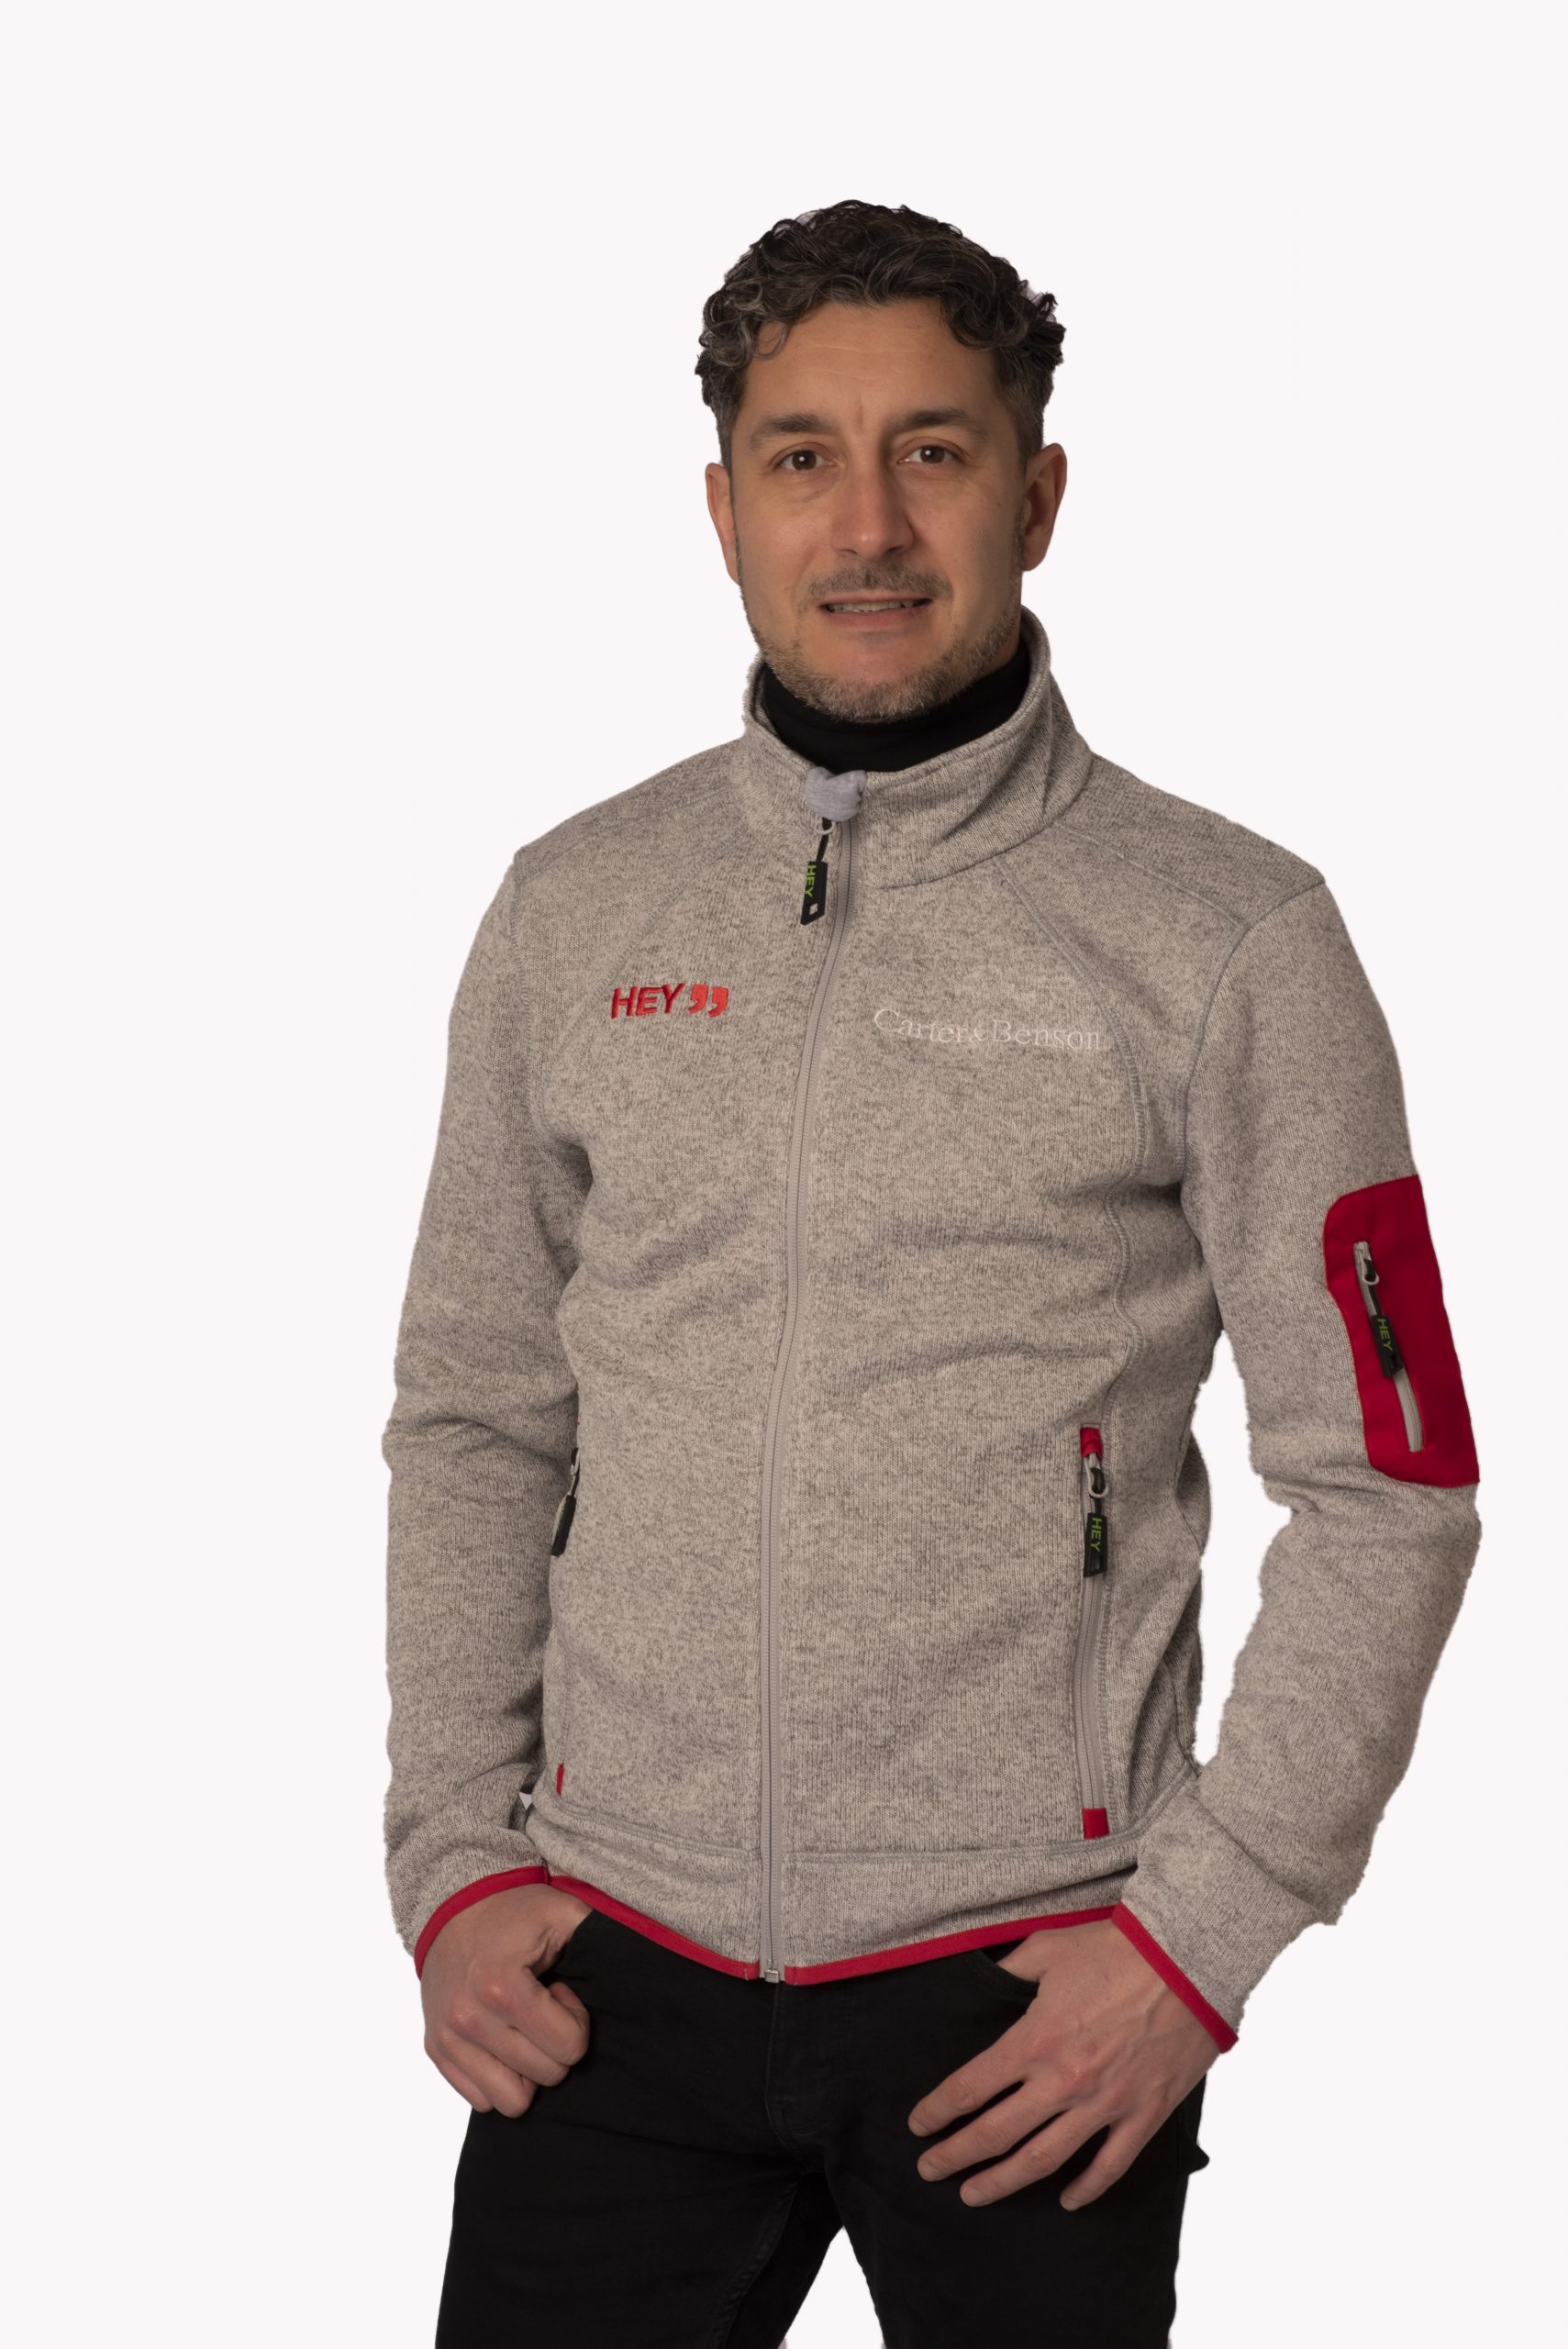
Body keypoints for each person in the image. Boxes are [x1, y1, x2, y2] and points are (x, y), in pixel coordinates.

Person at [381, 200, 1481, 2348]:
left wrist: (1202, 1936)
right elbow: (478, 1413)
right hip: (605, 1972)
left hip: (1035, 1995)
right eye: (803, 457)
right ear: (724, 510)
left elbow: (1393, 1480)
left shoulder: (1231, 937)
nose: (869, 523)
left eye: (935, 453)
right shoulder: (572, 912)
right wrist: (452, 1855)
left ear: (1037, 494)